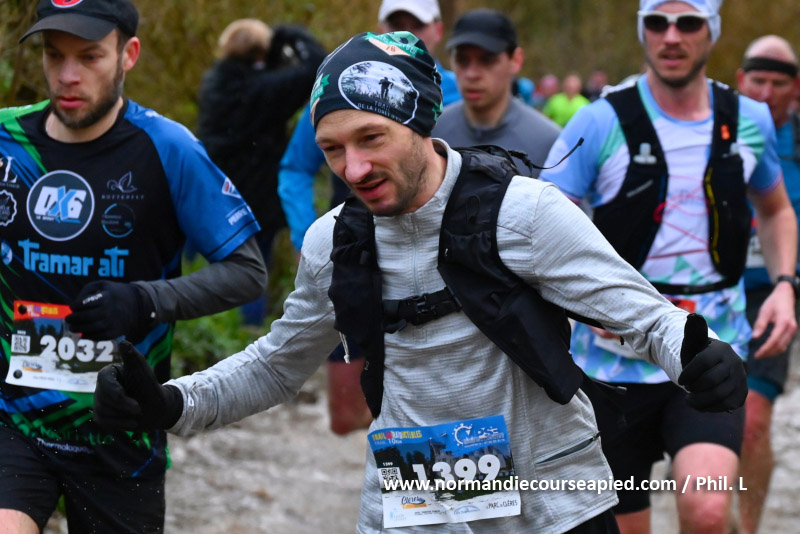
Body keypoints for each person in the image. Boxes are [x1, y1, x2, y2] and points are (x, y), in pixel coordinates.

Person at [94, 30, 748, 534]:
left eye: (371, 138)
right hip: (412, 513)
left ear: (420, 124)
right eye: (332, 149)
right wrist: (171, 404)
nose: (353, 169)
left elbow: (642, 314)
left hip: (553, 511)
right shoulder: (334, 242)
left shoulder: (523, 213)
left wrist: (696, 353)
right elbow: (276, 365)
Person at [0, 1, 267, 532]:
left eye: (89, 57)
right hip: (15, 421)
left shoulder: (168, 148)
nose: (68, 75)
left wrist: (145, 300)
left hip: (120, 427)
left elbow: (247, 272)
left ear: (129, 55)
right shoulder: (8, 140)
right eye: (54, 56)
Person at [541, 2, 798, 533]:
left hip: (712, 346)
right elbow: (542, 222)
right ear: (643, 30)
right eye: (657, 22)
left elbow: (774, 209)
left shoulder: (747, 120)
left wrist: (783, 286)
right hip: (612, 363)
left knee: (706, 510)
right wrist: (580, 298)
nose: (672, 36)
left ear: (712, 31)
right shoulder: (600, 120)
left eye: (688, 23)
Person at [277, 0, 463, 437]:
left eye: (417, 25)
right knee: (346, 419)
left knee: (439, 412)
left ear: (437, 30)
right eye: (396, 24)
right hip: (356, 258)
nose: (408, 34)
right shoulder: (338, 87)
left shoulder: (458, 93)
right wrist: (304, 235)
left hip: (446, 262)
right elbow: (296, 167)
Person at [196, 18, 325, 326]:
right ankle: (245, 333)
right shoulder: (261, 91)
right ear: (259, 54)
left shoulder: (215, 83)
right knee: (253, 270)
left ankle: (218, 332)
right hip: (256, 198)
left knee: (222, 267)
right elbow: (316, 67)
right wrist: (288, 33)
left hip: (216, 194)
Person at [736, 35, 800, 534]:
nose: (767, 93)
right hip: (710, 293)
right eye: (758, 81)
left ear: (795, 89)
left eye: (779, 83)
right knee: (709, 414)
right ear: (741, 81)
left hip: (773, 295)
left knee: (753, 418)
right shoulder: (712, 131)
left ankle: (747, 525)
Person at [432, 8, 561, 175]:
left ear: (515, 60)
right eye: (462, 60)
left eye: (486, 60)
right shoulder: (433, 134)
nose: (471, 74)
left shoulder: (549, 143)